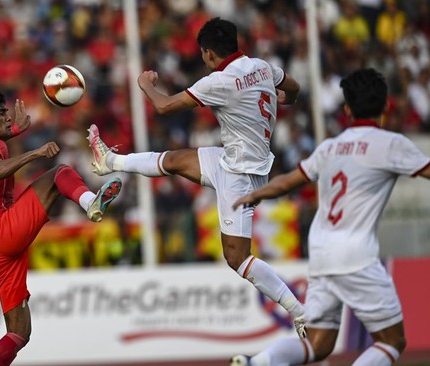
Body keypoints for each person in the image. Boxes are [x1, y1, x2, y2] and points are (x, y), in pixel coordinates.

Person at [86, 17, 306, 337]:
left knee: (236, 258)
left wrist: (146, 84)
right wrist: (277, 102)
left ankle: (299, 312)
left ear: (207, 53)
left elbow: (163, 107)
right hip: (236, 159)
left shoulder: (219, 81)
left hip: (240, 175)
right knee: (175, 160)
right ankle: (110, 160)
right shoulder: (262, 66)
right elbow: (294, 89)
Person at [230, 68, 430, 366]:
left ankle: (257, 362)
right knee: (392, 341)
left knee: (317, 345)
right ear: (387, 105)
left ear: (347, 109)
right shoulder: (390, 144)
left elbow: (289, 180)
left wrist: (257, 194)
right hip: (357, 255)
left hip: (322, 254)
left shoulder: (330, 147)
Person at [0, 90, 122, 366]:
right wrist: (34, 153)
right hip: (1, 233)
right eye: (2, 113)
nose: (8, 115)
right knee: (59, 174)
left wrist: (12, 132)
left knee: (19, 333)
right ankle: (89, 203)